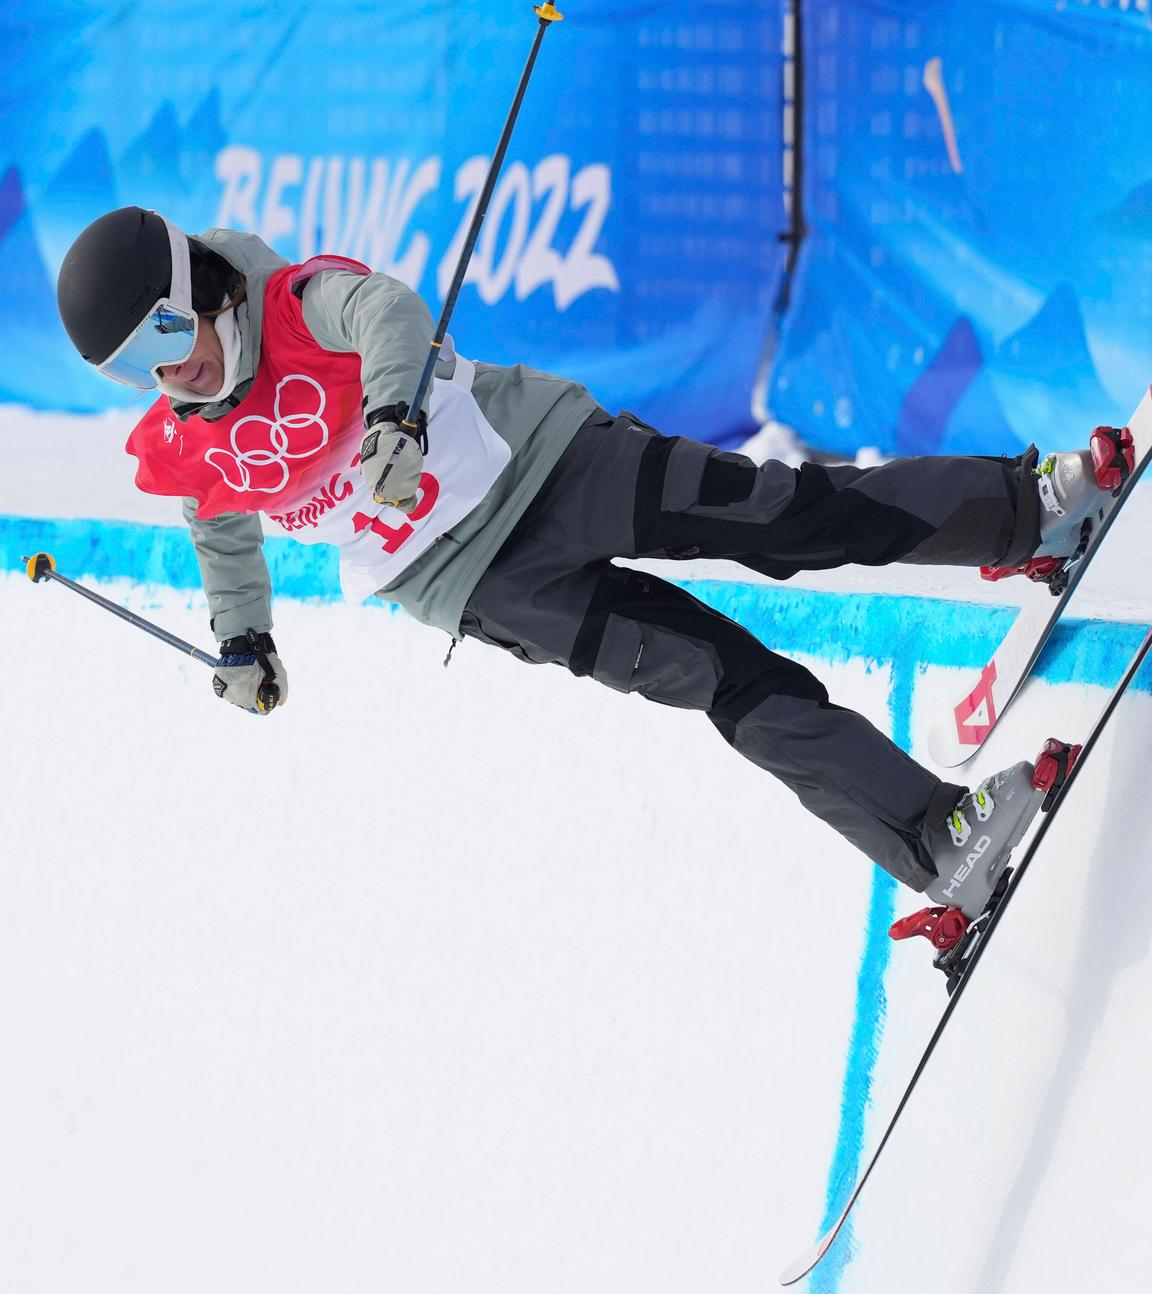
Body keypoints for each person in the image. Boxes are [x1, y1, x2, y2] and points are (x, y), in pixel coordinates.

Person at [55, 206, 1120, 936]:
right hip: (482, 587)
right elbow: (218, 526)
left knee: (786, 517)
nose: (172, 367)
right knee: (723, 678)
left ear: (198, 284)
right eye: (135, 366)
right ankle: (934, 843)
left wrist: (391, 416)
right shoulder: (186, 436)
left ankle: (1024, 512)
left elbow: (386, 312)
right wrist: (242, 637)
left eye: (166, 329)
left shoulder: (293, 301)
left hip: (558, 461)